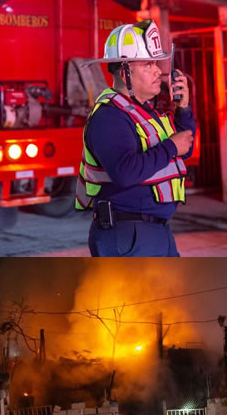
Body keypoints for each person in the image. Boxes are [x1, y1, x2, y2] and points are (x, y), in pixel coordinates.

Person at [75, 19, 196, 257]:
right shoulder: (109, 116)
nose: (158, 71)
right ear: (124, 73)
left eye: (155, 63)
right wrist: (171, 146)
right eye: (147, 64)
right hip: (127, 234)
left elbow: (185, 148)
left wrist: (183, 109)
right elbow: (125, 172)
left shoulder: (145, 111)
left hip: (154, 231)